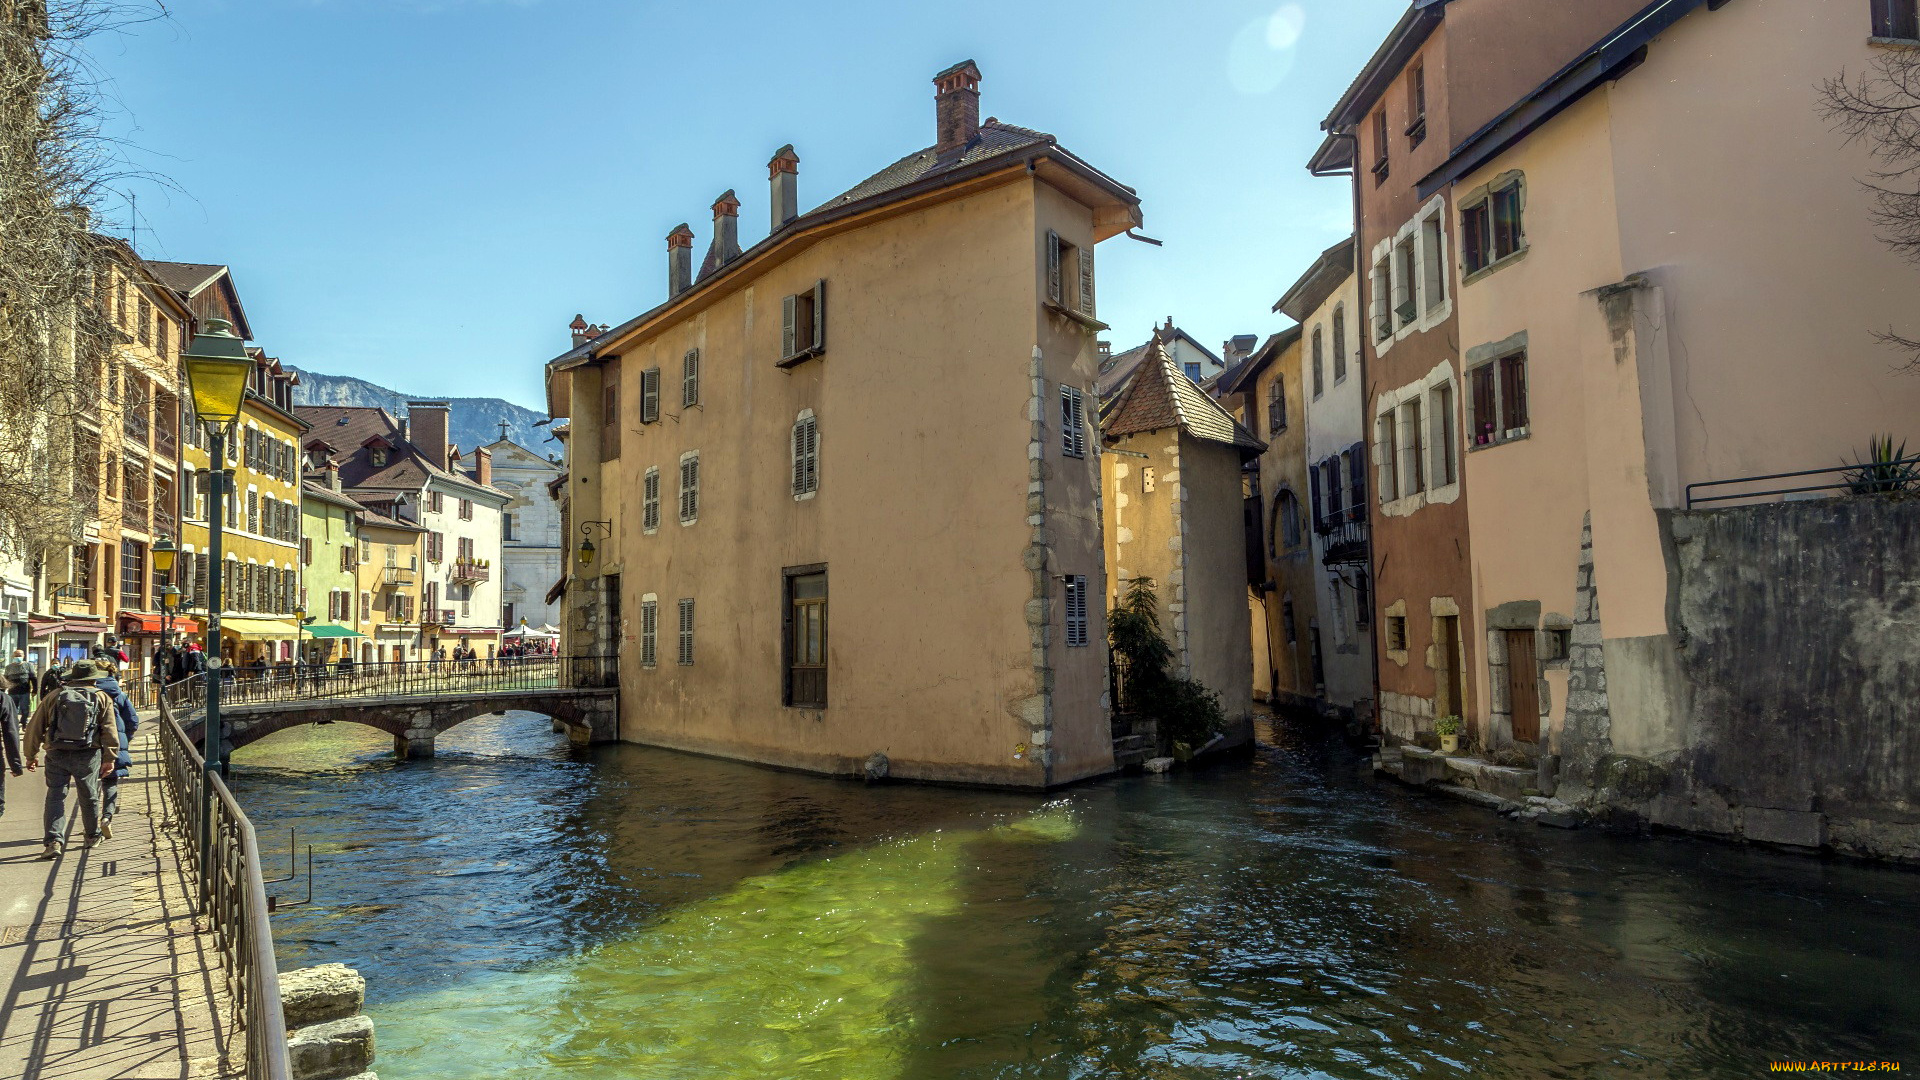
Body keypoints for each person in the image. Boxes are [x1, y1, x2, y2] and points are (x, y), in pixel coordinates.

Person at [23, 660, 119, 860]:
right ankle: (92, 836)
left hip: (56, 752)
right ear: (94, 678)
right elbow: (109, 730)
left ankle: (53, 841)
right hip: (88, 753)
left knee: (56, 796)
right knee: (89, 795)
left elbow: (35, 727)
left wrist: (30, 754)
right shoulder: (101, 697)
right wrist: (110, 758)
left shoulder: (54, 696)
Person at [90, 663, 139, 840]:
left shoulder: (89, 693)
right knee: (110, 782)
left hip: (90, 745)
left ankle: (90, 822)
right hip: (114, 744)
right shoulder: (120, 695)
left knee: (89, 785)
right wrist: (125, 739)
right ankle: (107, 817)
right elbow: (133, 721)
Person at [3, 648, 33, 777]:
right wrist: (16, 765)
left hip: (24, 692)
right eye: (16, 655)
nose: (18, 657)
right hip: (13, 694)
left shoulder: (28, 666)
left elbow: (33, 678)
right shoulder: (9, 668)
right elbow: (10, 734)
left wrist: (35, 689)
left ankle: (24, 722)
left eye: (19, 655)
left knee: (25, 710)